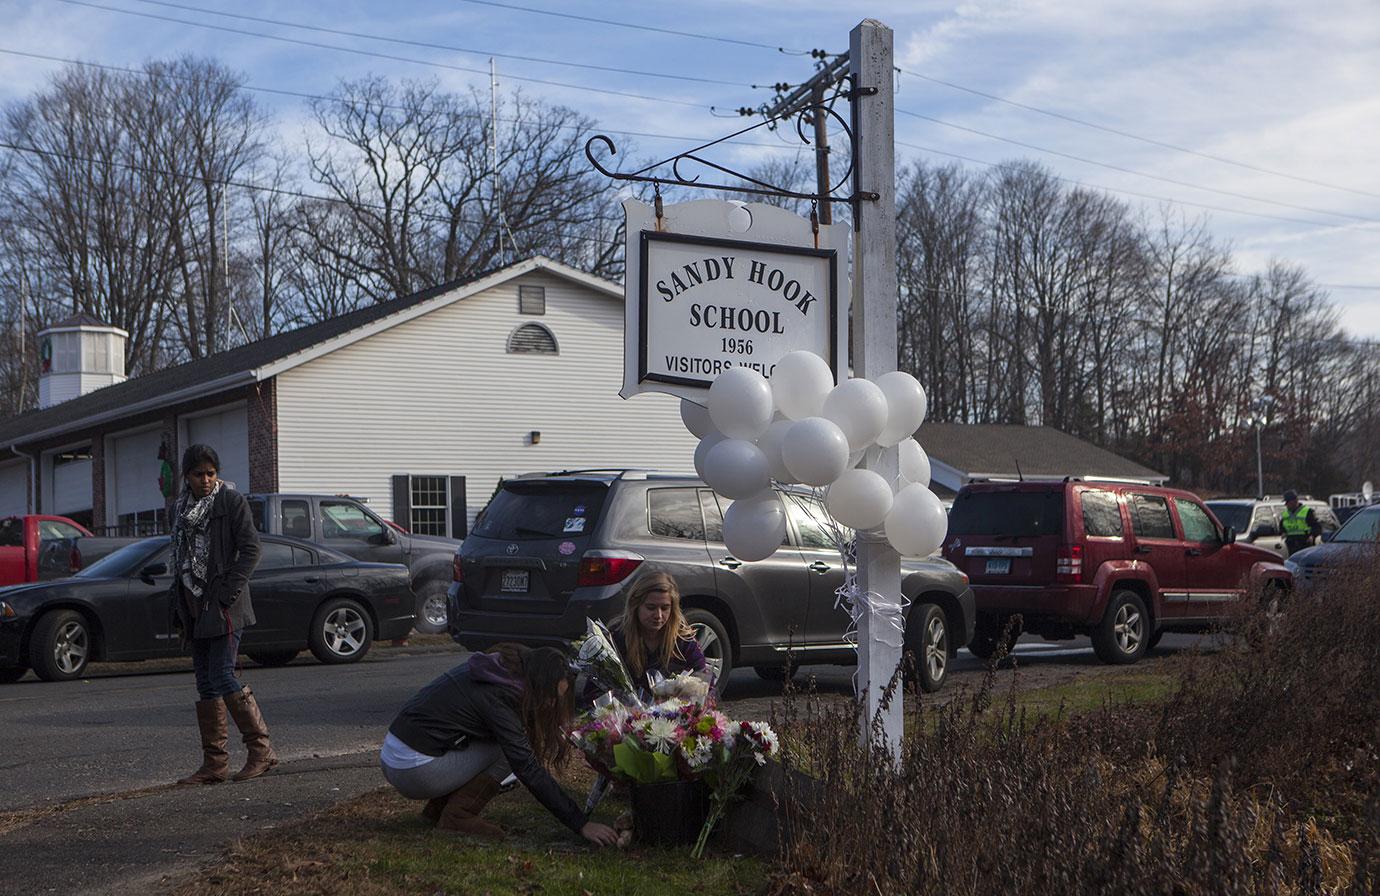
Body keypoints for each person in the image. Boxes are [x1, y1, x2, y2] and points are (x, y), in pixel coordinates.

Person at [381, 643, 620, 846]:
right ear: (538, 683)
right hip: (413, 769)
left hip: (398, 753)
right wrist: (581, 824)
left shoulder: (500, 670)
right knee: (510, 750)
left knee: (503, 741)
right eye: (550, 696)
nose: (551, 704)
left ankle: (438, 809)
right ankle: (458, 817)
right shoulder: (501, 696)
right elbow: (527, 767)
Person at [173, 443, 276, 785]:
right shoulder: (180, 509)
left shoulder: (230, 502)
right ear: (186, 476)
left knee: (222, 674)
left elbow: (251, 549)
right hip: (194, 606)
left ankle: (261, 750)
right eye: (198, 474)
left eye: (210, 473)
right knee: (205, 682)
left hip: (224, 605)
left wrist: (226, 593)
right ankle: (214, 764)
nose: (205, 480)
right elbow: (181, 558)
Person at [613, 571, 707, 693]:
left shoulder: (683, 640)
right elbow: (596, 690)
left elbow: (704, 681)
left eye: (665, 608)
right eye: (651, 608)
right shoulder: (617, 637)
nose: (658, 615)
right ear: (635, 606)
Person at [1280, 490, 1322, 556]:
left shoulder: (1307, 511)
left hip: (1305, 542)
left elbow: (1316, 526)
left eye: (1288, 502)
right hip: (1291, 543)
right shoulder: (1285, 514)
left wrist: (1312, 535)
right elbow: (1282, 526)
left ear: (1295, 501)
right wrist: (1283, 532)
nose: (1286, 504)